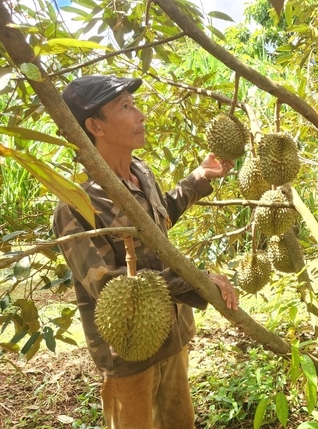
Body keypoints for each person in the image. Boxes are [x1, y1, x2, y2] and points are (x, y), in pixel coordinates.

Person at [53, 75, 239, 429]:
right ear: (95, 126)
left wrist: (200, 177)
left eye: (134, 104)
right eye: (125, 107)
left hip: (174, 334)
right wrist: (197, 280)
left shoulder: (141, 172)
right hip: (128, 357)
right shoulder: (75, 204)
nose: (140, 115)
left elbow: (159, 221)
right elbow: (109, 286)